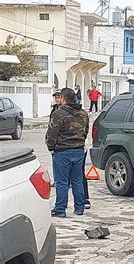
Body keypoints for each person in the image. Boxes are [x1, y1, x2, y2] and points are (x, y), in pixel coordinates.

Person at [46, 88, 89, 217]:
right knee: (77, 180)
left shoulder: (59, 114)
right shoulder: (83, 113)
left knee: (62, 182)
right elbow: (85, 131)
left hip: (62, 151)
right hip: (79, 150)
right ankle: (79, 208)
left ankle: (60, 209)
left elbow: (52, 133)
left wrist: (51, 147)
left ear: (64, 99)